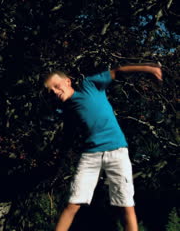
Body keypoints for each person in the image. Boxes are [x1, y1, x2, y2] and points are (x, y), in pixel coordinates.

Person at [44, 64, 162, 231]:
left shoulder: (89, 85)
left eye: (57, 86)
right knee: (73, 204)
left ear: (68, 81)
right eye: (51, 91)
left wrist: (150, 70)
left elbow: (118, 71)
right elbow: (68, 139)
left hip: (117, 151)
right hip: (90, 157)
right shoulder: (66, 110)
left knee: (126, 205)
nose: (55, 92)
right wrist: (57, 160)